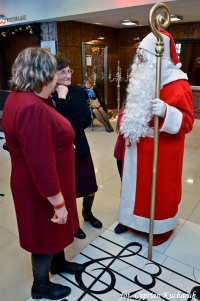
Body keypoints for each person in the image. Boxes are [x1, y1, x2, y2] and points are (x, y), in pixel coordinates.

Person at [2, 47, 85, 300]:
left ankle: (58, 263)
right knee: (43, 232)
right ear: (43, 74)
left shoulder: (28, 97)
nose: (58, 77)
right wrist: (57, 202)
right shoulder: (31, 107)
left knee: (53, 231)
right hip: (41, 186)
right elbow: (40, 163)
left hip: (49, 181)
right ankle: (40, 286)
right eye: (53, 72)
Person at [114, 30, 194, 246]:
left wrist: (167, 112)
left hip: (162, 151)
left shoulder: (178, 84)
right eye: (138, 56)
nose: (138, 61)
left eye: (143, 57)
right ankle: (129, 219)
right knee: (131, 187)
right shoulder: (142, 78)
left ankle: (159, 227)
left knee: (158, 192)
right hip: (134, 147)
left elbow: (187, 122)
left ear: (158, 59)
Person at [51, 54, 102, 240]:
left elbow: (86, 119)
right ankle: (73, 223)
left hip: (80, 145)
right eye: (62, 72)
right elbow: (56, 126)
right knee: (68, 190)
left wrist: (67, 127)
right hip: (63, 150)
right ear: (52, 74)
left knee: (90, 186)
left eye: (69, 71)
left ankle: (87, 214)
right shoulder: (49, 95)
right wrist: (63, 105)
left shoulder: (78, 91)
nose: (67, 75)